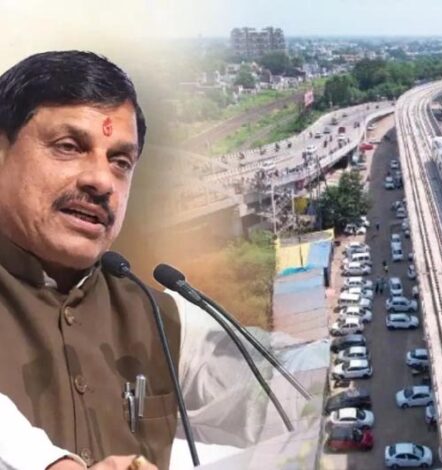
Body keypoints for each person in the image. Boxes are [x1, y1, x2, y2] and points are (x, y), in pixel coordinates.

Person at [0, 51, 301, 470]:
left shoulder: (151, 313)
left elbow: (273, 380)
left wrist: (359, 362)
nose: (102, 181)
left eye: (120, 162)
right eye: (68, 147)